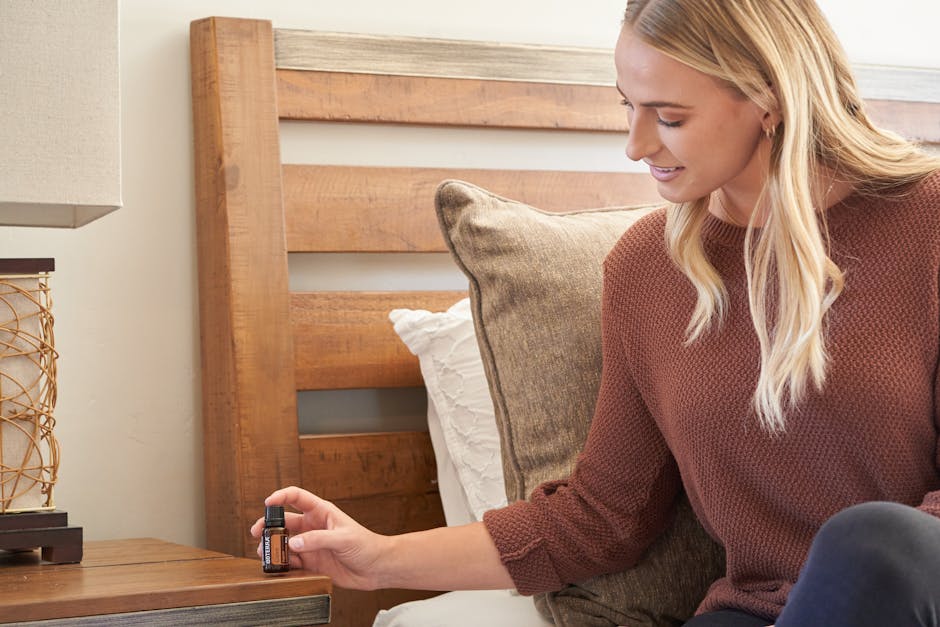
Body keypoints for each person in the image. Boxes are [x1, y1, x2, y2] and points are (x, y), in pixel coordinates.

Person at [251, 1, 940, 625]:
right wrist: (377, 557)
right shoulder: (646, 270)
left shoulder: (928, 220)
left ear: (768, 99)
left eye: (669, 117)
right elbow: (602, 516)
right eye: (627, 107)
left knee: (875, 543)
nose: (637, 145)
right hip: (757, 613)